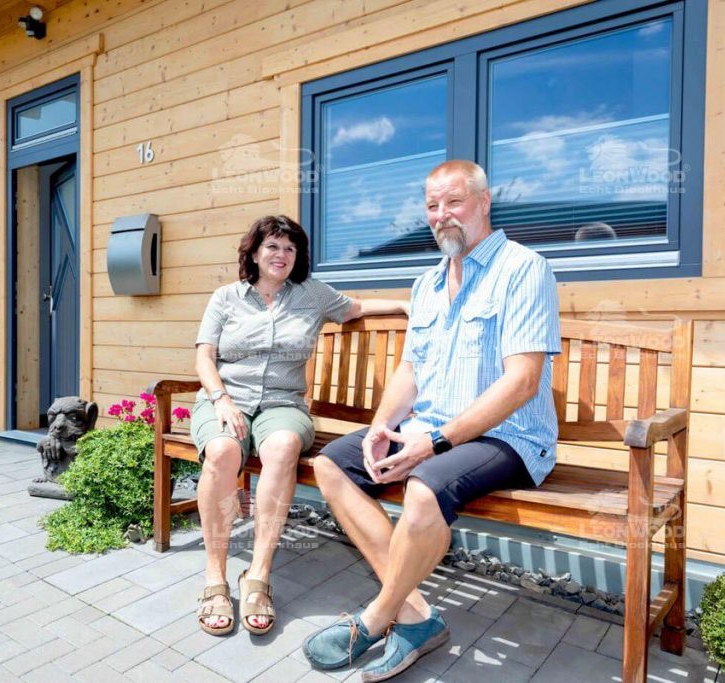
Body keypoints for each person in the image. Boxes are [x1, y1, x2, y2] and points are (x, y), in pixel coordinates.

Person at [303, 160, 560, 681]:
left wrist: (435, 442)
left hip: (508, 437)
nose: (442, 216)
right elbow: (411, 370)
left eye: (454, 203)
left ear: (484, 203)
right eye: (432, 206)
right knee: (332, 465)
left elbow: (522, 383)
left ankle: (376, 617)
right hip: (431, 429)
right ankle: (417, 614)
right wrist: (380, 427)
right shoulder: (426, 283)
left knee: (423, 487)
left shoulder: (524, 269)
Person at [193, 215, 409, 637]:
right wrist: (220, 399)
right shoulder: (226, 298)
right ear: (254, 252)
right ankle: (215, 577)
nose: (282, 255)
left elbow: (356, 308)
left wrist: (405, 304)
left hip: (282, 403)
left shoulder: (311, 295)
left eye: (290, 249)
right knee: (222, 452)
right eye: (273, 246)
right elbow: (205, 357)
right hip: (224, 400)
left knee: (284, 445)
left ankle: (258, 576)